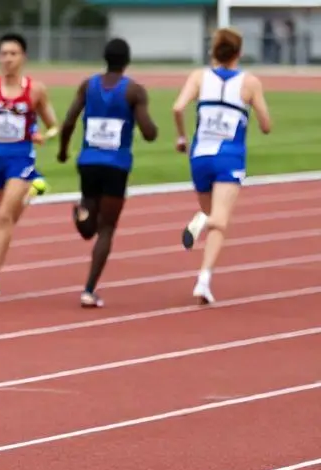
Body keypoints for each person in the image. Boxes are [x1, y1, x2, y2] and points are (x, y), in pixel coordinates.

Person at [56, 38, 158, 308]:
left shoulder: (88, 85)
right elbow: (149, 133)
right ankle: (89, 290)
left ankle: (81, 211)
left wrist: (63, 150)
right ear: (127, 61)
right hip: (116, 165)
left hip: (88, 160)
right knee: (107, 229)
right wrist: (146, 124)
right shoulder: (134, 91)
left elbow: (68, 121)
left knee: (90, 225)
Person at [174, 27, 271, 304]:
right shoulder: (249, 82)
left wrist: (181, 137)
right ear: (238, 53)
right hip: (229, 156)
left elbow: (178, 108)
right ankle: (202, 224)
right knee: (217, 219)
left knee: (218, 221)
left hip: (200, 155)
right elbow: (265, 125)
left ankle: (204, 281)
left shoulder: (198, 77)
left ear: (213, 51)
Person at [0, 33, 60, 297]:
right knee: (4, 216)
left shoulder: (35, 90)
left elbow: (54, 124)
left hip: (21, 157)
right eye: (4, 54)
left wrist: (43, 136)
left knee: (3, 218)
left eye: (14, 53)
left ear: (23, 57)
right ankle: (34, 189)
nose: (8, 59)